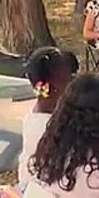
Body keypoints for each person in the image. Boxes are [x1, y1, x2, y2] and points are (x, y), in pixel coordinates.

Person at [18, 47, 79, 185]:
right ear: (50, 87)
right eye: (69, 78)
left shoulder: (45, 110)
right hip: (41, 194)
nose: (74, 81)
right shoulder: (46, 126)